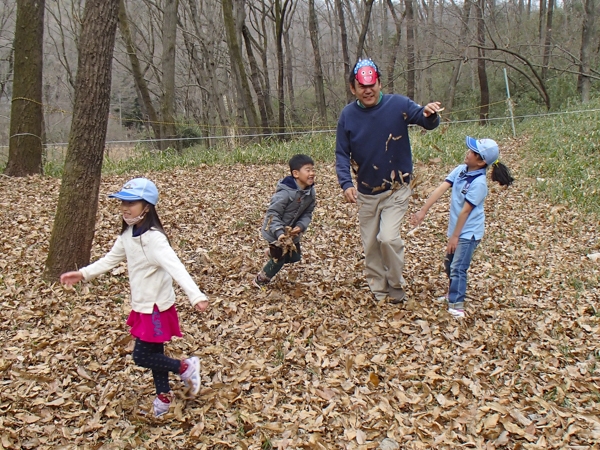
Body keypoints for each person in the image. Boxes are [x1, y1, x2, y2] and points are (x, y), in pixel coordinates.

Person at [59, 178, 209, 417]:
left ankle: (185, 367)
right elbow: (109, 260)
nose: (125, 208)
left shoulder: (155, 239)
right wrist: (83, 274)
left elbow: (176, 267)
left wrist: (196, 296)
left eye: (132, 202)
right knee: (155, 353)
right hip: (142, 307)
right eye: (122, 203)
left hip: (156, 308)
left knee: (141, 356)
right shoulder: (128, 236)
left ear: (147, 206)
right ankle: (163, 397)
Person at [335, 58, 443, 304]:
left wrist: (430, 115)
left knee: (389, 238)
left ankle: (396, 288)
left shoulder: (398, 105)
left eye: (372, 84)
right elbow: (341, 153)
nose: (368, 90)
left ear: (379, 83)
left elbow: (423, 118)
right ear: (353, 88)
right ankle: (379, 291)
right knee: (371, 245)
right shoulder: (348, 115)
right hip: (366, 192)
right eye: (362, 86)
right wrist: (346, 183)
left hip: (396, 189)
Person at [410, 137, 514, 318]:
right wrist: (423, 211)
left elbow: (465, 212)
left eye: (473, 152)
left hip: (469, 232)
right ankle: (451, 293)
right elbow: (441, 189)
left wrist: (455, 237)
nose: (468, 153)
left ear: (481, 161)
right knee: (449, 263)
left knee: (459, 267)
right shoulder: (460, 170)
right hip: (457, 230)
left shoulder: (479, 184)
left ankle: (457, 305)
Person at [254, 154, 316, 288]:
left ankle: (270, 252)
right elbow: (272, 214)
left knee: (295, 257)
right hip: (275, 232)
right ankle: (260, 280)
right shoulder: (285, 193)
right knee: (279, 260)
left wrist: (300, 226)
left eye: (313, 170)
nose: (312, 173)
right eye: (308, 170)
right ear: (296, 173)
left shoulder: (310, 193)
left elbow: (308, 212)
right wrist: (279, 232)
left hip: (292, 233)